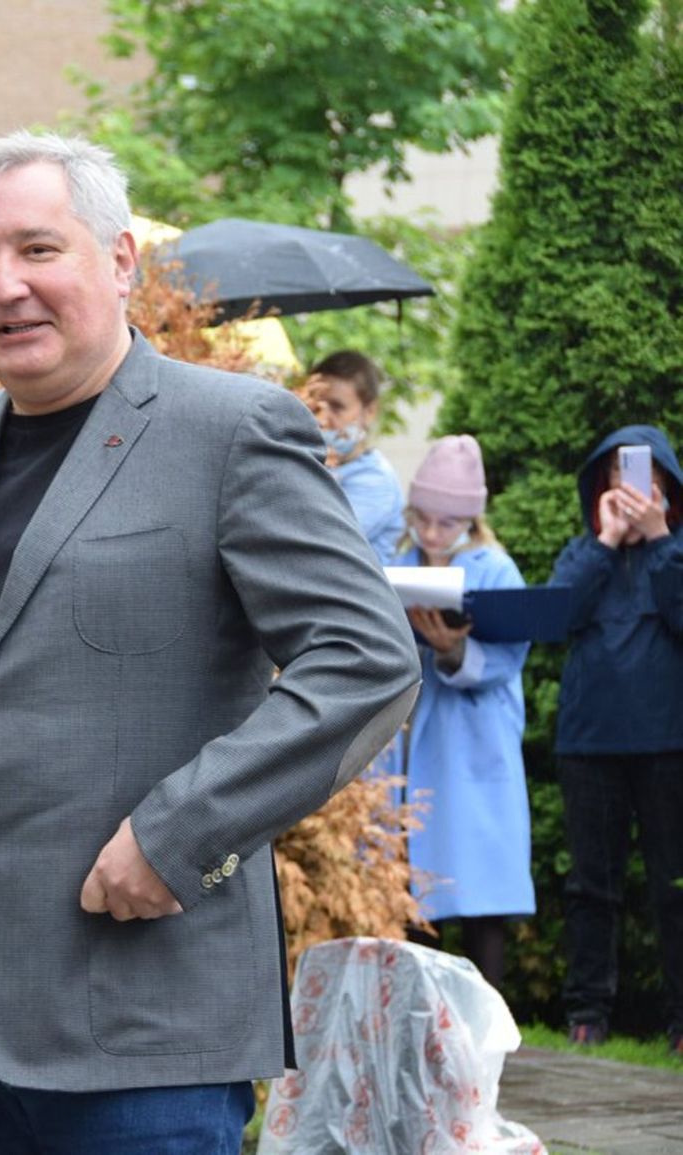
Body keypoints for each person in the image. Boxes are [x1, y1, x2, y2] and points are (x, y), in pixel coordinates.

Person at [0, 131, 420, 1153]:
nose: (4, 285)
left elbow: (365, 664)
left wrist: (179, 837)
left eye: (38, 250)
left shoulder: (231, 430)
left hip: (143, 1020)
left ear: (117, 263)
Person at [548, 424, 683, 1053]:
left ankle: (680, 1019)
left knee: (673, 884)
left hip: (669, 743)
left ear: (666, 487)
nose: (633, 487)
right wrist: (606, 540)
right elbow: (558, 615)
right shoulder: (583, 552)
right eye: (621, 474)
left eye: (647, 476)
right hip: (590, 745)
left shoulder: (675, 549)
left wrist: (657, 540)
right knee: (591, 887)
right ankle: (588, 1013)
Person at [390, 435, 534, 989]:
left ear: (471, 521)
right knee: (417, 900)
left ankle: (482, 1047)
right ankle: (424, 1038)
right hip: (410, 743)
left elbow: (509, 654)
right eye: (422, 518)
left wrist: (453, 650)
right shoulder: (398, 565)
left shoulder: (495, 568)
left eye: (446, 523)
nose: (431, 534)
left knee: (479, 899)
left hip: (474, 746)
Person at [307, 350, 404, 562]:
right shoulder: (312, 463)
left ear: (369, 411)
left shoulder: (376, 481)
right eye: (315, 406)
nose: (322, 419)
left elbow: (321, 542)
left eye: (337, 407)